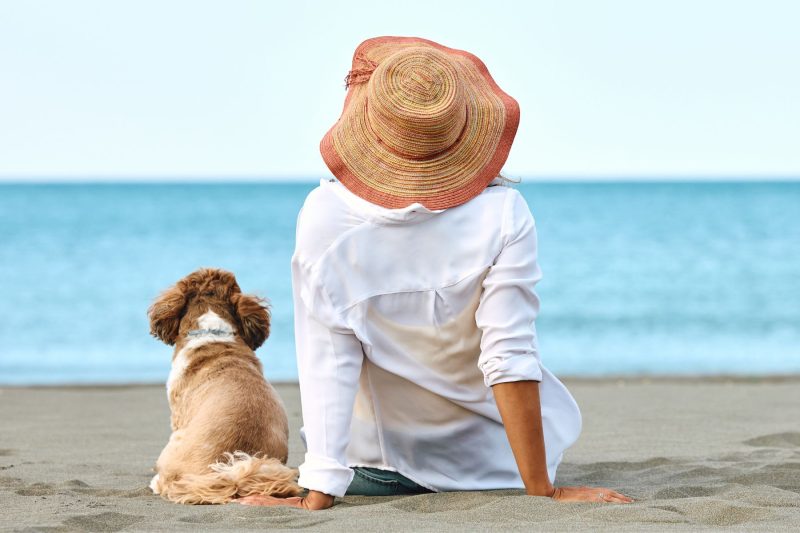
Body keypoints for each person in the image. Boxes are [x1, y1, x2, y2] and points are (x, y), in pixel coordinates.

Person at [241, 36, 632, 510]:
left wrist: (318, 492)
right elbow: (508, 354)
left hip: (386, 470)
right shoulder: (504, 213)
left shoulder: (325, 218)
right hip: (501, 468)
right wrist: (541, 490)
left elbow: (329, 361)